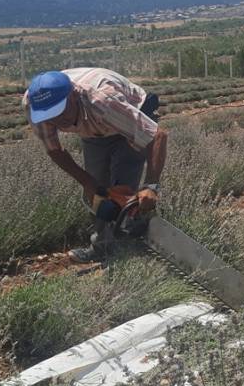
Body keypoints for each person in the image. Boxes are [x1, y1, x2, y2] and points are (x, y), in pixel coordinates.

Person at [24, 67, 167, 262]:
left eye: (59, 111)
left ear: (74, 95)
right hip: (92, 127)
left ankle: (132, 248)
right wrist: (88, 183)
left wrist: (151, 186)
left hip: (127, 116)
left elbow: (157, 136)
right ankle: (102, 248)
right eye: (49, 115)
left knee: (123, 188)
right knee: (98, 196)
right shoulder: (35, 106)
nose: (56, 120)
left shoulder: (102, 101)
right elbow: (55, 150)